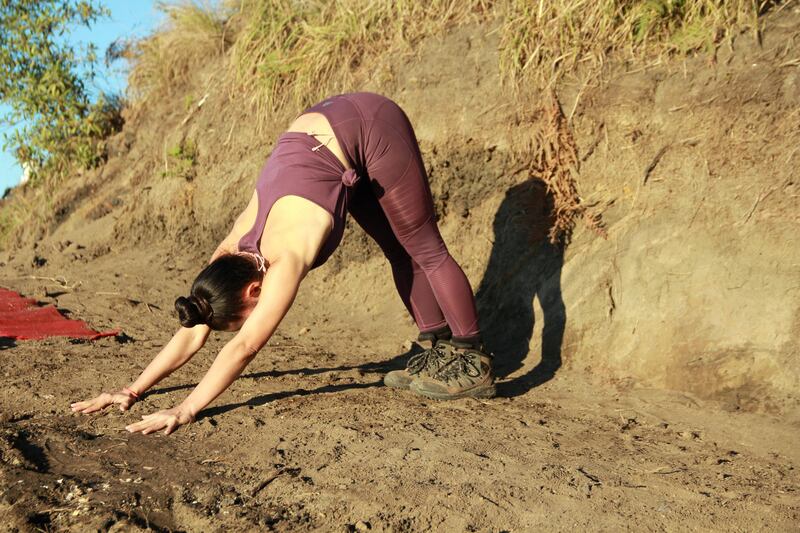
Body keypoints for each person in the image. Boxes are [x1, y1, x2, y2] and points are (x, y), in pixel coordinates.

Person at [70, 93, 494, 435]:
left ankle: (471, 357)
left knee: (424, 247)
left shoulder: (285, 259)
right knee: (397, 252)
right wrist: (131, 390)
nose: (250, 320)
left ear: (253, 291)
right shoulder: (228, 254)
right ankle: (436, 349)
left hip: (370, 122)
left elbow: (245, 347)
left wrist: (185, 410)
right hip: (325, 138)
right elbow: (193, 328)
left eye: (246, 315)